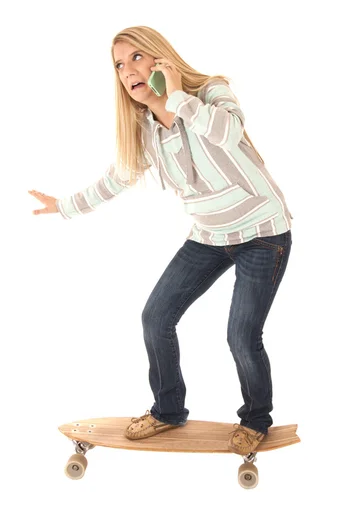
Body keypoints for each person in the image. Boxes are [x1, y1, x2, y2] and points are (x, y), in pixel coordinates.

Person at [28, 25, 294, 455]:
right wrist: (64, 205)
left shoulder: (212, 91)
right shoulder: (148, 131)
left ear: (159, 59)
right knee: (156, 318)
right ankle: (168, 410)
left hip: (263, 233)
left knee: (241, 335)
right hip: (209, 236)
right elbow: (117, 179)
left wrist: (177, 98)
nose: (128, 70)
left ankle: (256, 419)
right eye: (119, 64)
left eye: (136, 57)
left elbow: (228, 132)